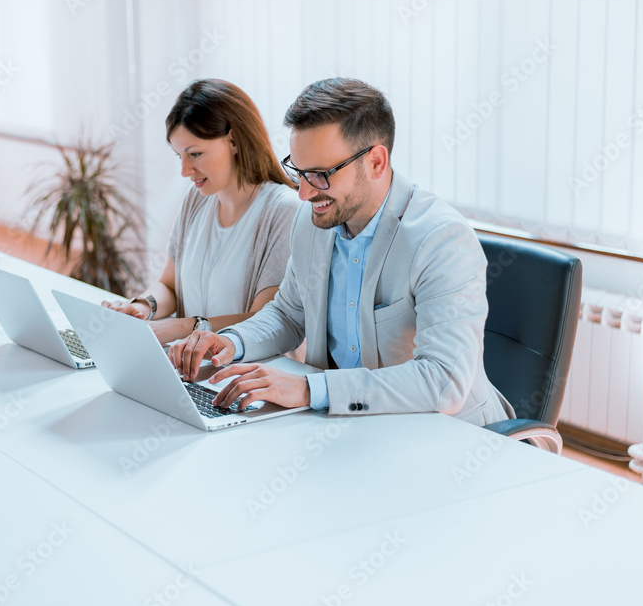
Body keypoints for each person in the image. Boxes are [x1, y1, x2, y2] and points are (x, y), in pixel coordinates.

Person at [169, 78, 515, 426]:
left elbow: (443, 382)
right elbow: (290, 313)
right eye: (299, 172)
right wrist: (231, 342)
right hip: (350, 429)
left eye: (320, 175)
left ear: (376, 162)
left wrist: (309, 389)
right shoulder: (313, 220)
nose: (303, 193)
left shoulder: (441, 240)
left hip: (445, 435)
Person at [102, 79, 299, 345]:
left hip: (245, 374)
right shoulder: (197, 199)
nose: (185, 171)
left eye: (194, 154)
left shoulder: (283, 210)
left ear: (234, 141)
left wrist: (186, 327)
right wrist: (143, 307)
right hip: (192, 368)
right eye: (179, 156)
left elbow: (267, 321)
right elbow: (169, 286)